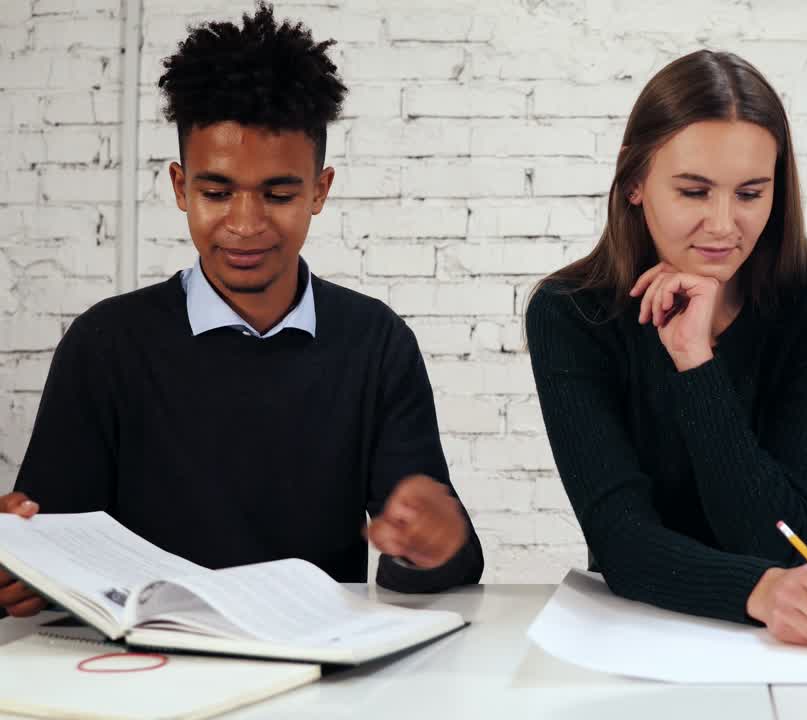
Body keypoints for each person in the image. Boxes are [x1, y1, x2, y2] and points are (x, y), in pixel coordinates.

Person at [0, 2, 482, 618]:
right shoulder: (106, 345)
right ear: (180, 187)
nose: (246, 224)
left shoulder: (374, 343)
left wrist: (434, 544)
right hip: (148, 673)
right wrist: (22, 565)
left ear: (319, 190)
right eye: (216, 191)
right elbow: (48, 562)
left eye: (278, 193)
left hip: (314, 664)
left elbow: (437, 559)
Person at [526, 50, 807, 648]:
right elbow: (620, 538)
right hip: (639, 630)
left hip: (791, 635)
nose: (723, 225)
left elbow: (775, 540)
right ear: (634, 182)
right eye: (694, 192)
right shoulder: (571, 313)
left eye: (750, 193)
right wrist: (759, 590)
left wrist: (697, 362)